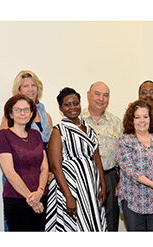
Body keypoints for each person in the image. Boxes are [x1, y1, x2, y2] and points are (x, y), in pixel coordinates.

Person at [45, 87, 107, 231]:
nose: (72, 107)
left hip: (91, 187)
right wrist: (68, 195)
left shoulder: (89, 129)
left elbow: (97, 159)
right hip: (70, 187)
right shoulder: (58, 131)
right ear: (61, 108)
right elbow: (55, 166)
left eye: (76, 103)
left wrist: (103, 186)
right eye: (67, 104)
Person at [0, 70, 53, 231]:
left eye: (33, 85)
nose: (30, 89)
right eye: (25, 86)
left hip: (40, 181)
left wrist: (41, 188)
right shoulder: (6, 131)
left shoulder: (44, 118)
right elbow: (9, 165)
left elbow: (49, 147)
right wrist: (33, 199)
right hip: (18, 180)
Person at [115, 100, 153, 231]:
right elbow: (130, 170)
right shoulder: (125, 141)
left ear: (151, 119)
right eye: (137, 117)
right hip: (133, 200)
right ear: (131, 120)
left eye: (145, 116)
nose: (142, 121)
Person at [81, 81, 122, 231]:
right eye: (97, 94)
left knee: (110, 223)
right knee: (86, 223)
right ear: (88, 95)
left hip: (110, 177)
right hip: (84, 178)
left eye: (105, 95)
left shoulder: (117, 122)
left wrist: (121, 180)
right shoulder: (77, 120)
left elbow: (124, 154)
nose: (101, 99)